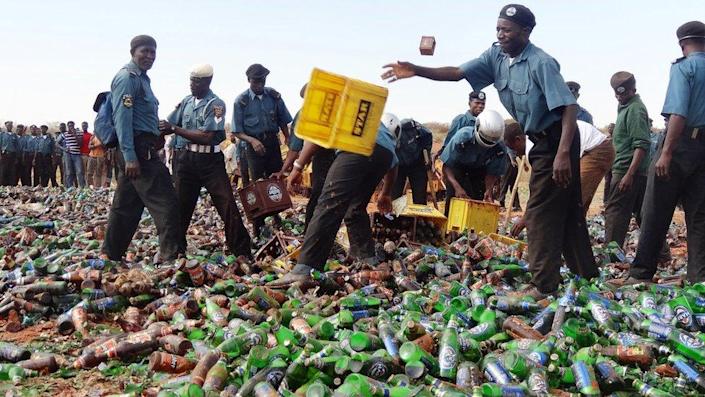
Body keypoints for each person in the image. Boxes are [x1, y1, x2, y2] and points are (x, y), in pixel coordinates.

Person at [382, 3, 597, 298]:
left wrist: (562, 154)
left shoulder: (541, 62)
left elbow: (569, 107)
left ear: (526, 31)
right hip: (540, 139)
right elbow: (457, 73)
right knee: (568, 209)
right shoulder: (495, 55)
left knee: (539, 212)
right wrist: (416, 70)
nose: (501, 35)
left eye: (507, 30)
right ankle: (587, 274)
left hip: (558, 140)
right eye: (498, 29)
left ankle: (543, 285)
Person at [269, 123, 399, 287]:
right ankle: (367, 258)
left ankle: (305, 269)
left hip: (356, 145)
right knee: (356, 208)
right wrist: (385, 193)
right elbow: (394, 164)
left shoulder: (330, 102)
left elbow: (316, 137)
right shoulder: (375, 119)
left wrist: (298, 167)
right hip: (384, 153)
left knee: (329, 204)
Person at [624, 21, 705, 284]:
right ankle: (698, 278)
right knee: (699, 216)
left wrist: (667, 151)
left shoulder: (684, 67)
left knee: (656, 210)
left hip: (680, 144)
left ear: (682, 44)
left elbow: (679, 112)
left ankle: (641, 274)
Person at [101, 34, 183, 262]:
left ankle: (110, 255)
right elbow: (122, 120)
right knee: (167, 202)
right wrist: (130, 157)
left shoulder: (143, 79)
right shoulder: (128, 78)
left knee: (126, 206)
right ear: (133, 52)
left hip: (141, 147)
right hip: (137, 151)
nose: (149, 56)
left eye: (153, 52)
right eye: (144, 51)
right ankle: (170, 259)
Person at [161, 64, 252, 257]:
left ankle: (241, 250)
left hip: (210, 160)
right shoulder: (186, 102)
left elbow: (207, 135)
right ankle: (175, 249)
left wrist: (175, 129)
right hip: (186, 159)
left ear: (207, 82)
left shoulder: (216, 104)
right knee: (181, 206)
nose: (192, 85)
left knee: (226, 202)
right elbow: (168, 123)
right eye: (191, 80)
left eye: (196, 81)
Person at [506, 120, 615, 235]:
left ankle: (567, 243)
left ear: (518, 139)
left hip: (597, 150)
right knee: (575, 206)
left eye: (513, 149)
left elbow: (541, 188)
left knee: (570, 204)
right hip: (593, 149)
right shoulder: (535, 136)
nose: (516, 155)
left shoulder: (531, 148)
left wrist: (526, 218)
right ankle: (575, 243)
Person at [232, 63, 293, 234]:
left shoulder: (274, 96)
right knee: (257, 184)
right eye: (255, 81)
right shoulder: (241, 101)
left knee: (275, 180)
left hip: (272, 143)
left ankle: (275, 214)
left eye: (262, 81)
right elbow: (237, 130)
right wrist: (252, 141)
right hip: (253, 146)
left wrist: (287, 137)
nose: (259, 85)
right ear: (249, 80)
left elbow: (283, 120)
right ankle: (258, 222)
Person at [275, 83, 336, 231]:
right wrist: (284, 170)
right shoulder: (306, 114)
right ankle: (313, 231)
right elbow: (296, 148)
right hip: (330, 156)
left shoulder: (320, 112)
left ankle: (316, 232)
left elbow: (297, 149)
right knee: (324, 195)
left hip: (333, 156)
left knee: (325, 196)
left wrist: (293, 169)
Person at [603, 72, 651, 248]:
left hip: (627, 170)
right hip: (630, 170)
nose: (619, 97)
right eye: (616, 93)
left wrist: (629, 174)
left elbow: (641, 144)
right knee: (643, 215)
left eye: (623, 93)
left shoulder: (635, 109)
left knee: (615, 213)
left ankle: (611, 256)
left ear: (633, 90)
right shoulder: (626, 107)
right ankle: (661, 255)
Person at [440, 110, 508, 214]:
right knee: (453, 200)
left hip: (479, 171)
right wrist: (457, 187)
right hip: (457, 168)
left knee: (477, 202)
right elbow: (447, 165)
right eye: (485, 139)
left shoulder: (499, 148)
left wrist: (488, 189)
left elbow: (492, 172)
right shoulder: (462, 137)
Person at [388, 115, 433, 204]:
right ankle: (393, 216)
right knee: (394, 195)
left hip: (417, 164)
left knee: (419, 197)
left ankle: (420, 217)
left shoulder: (420, 131)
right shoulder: (389, 135)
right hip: (399, 165)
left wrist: (427, 156)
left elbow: (428, 141)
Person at [435, 91, 486, 162]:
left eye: (483, 104)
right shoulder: (461, 120)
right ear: (469, 104)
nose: (480, 106)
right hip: (459, 164)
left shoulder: (485, 123)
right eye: (477, 103)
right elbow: (449, 143)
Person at [57, 121, 85, 187]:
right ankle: (69, 188)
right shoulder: (65, 134)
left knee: (80, 171)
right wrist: (64, 149)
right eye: (69, 126)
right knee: (69, 172)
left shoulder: (79, 133)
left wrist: (75, 134)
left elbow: (80, 144)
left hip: (77, 154)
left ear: (74, 125)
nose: (71, 127)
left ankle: (82, 188)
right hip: (68, 155)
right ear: (67, 126)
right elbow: (57, 143)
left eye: (72, 126)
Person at [603, 123, 616, 204]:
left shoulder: (617, 139)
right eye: (608, 127)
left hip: (615, 164)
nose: (609, 129)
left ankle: (612, 200)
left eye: (611, 127)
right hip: (608, 164)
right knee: (607, 182)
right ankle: (606, 200)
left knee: (613, 182)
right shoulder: (606, 138)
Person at [80, 121, 92, 186]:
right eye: (83, 125)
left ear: (87, 126)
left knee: (89, 171)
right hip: (82, 155)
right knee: (82, 171)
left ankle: (88, 185)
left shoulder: (90, 135)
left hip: (90, 155)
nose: (84, 126)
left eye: (85, 125)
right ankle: (83, 185)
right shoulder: (80, 135)